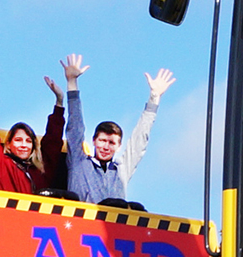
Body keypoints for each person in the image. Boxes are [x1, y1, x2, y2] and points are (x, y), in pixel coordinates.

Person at [62, 55, 174, 205]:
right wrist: (72, 83)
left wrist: (154, 98)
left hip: (112, 227)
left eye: (111, 142)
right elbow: (75, 127)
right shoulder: (79, 162)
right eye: (102, 141)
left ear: (118, 146)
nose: (106, 147)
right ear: (94, 141)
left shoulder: (121, 170)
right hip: (81, 225)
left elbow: (139, 140)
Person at [0, 77, 66, 194]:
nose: (24, 145)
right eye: (18, 140)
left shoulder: (41, 170)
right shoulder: (3, 164)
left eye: (28, 141)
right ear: (8, 144)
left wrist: (59, 101)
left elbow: (53, 142)